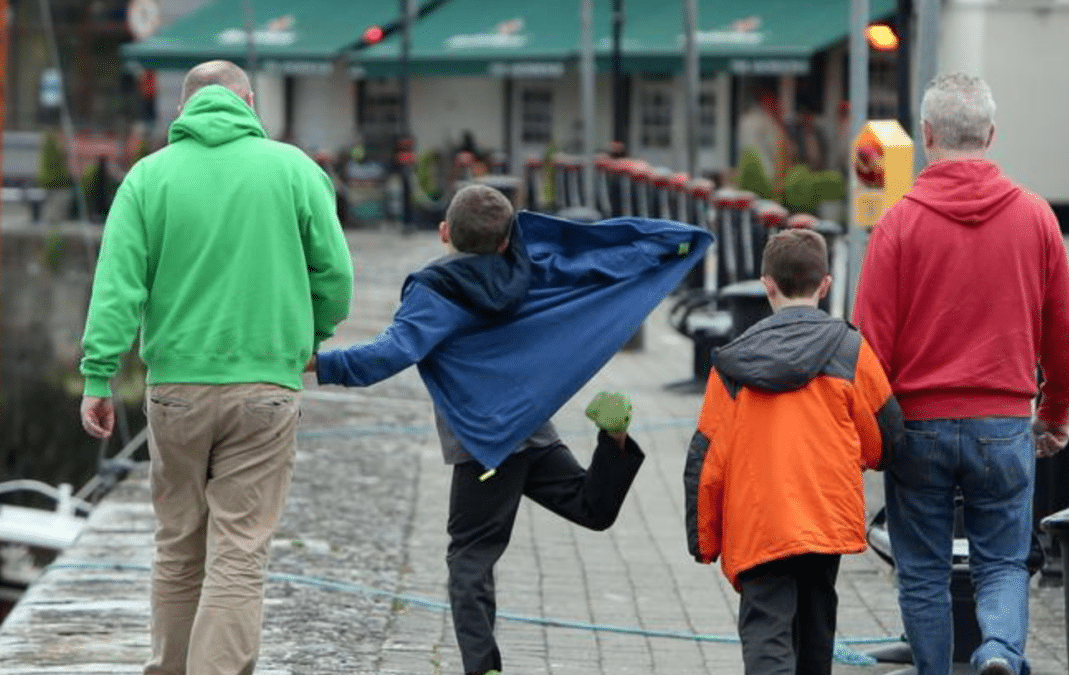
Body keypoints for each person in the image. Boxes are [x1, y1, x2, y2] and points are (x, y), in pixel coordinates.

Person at [310, 183, 714, 675]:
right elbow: (599, 261)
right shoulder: (532, 265)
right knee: (591, 507)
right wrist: (671, 245)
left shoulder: (435, 291)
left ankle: (484, 669)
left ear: (444, 232)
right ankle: (616, 439)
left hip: (485, 444)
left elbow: (386, 356)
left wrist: (313, 364)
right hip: (531, 429)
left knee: (469, 562)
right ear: (506, 240)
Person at [79, 60, 353, 675]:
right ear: (249, 103)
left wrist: (100, 376)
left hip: (176, 387)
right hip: (266, 388)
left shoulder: (148, 179)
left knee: (178, 546)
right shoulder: (293, 171)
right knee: (238, 551)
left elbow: (117, 289)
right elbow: (335, 275)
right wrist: (311, 335)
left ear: (182, 110)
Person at [852, 73, 1069, 675]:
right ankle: (998, 649)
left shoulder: (898, 224)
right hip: (1002, 421)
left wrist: (873, 435)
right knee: (1001, 561)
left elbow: (869, 344)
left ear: (926, 136)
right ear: (991, 135)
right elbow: (1062, 329)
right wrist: (1054, 413)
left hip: (917, 426)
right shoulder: (1036, 219)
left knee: (921, 570)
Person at [685, 228, 903, 675]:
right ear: (825, 284)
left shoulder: (732, 364)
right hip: (824, 515)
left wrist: (705, 540)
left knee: (767, 629)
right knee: (816, 626)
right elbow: (884, 433)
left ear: (767, 284)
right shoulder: (849, 349)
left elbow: (707, 461)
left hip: (759, 520)